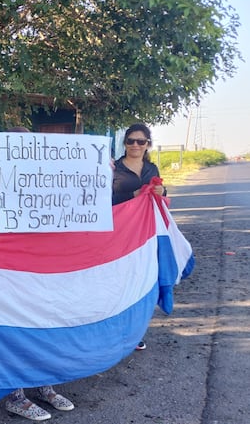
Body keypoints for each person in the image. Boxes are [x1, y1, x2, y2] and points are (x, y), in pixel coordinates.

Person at [0, 126, 75, 421]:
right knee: (14, 332)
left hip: (41, 272)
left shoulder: (47, 183)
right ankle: (16, 395)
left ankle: (45, 385)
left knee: (42, 328)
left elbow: (76, 209)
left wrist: (100, 176)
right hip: (6, 275)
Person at [112, 122, 166, 351]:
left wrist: (162, 191)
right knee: (120, 283)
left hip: (144, 236)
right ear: (124, 143)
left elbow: (161, 198)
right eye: (131, 140)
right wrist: (131, 195)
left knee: (142, 282)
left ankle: (135, 333)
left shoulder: (152, 169)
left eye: (140, 141)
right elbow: (102, 200)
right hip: (119, 235)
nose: (135, 145)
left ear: (147, 145)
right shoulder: (113, 168)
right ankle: (117, 331)